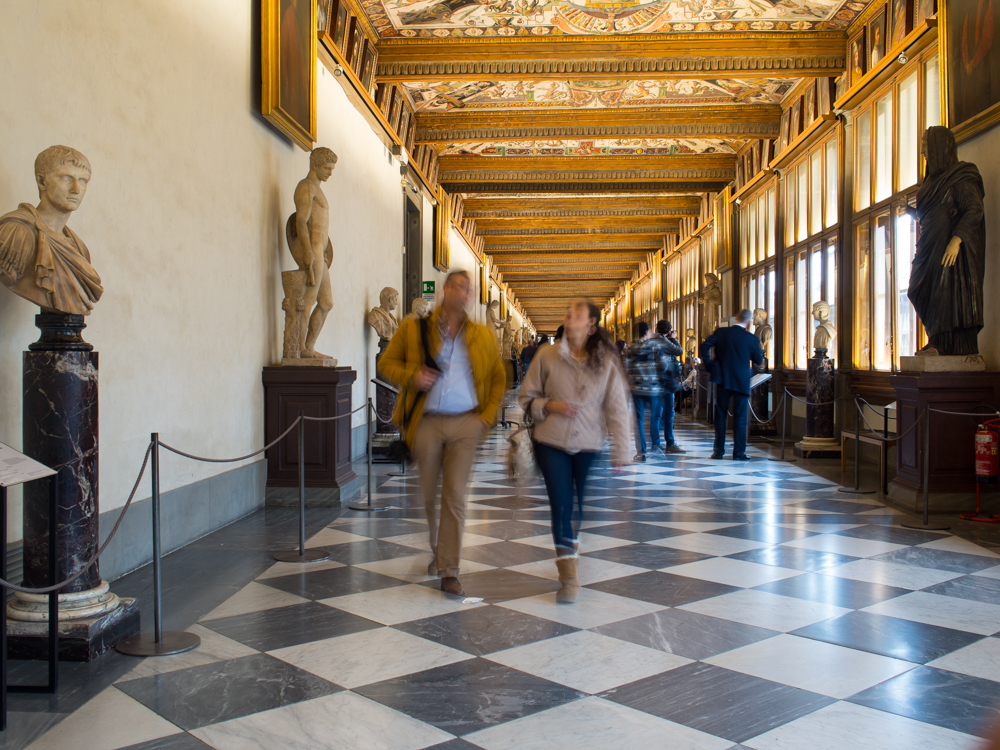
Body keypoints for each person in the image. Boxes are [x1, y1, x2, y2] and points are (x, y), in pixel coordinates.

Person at [379, 270, 505, 597]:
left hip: (466, 423)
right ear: (445, 289)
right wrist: (412, 375)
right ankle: (438, 549)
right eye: (460, 287)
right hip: (426, 422)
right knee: (428, 497)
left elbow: (497, 380)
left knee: (454, 495)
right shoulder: (413, 329)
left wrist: (486, 418)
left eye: (469, 289)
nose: (465, 294)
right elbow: (386, 364)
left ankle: (450, 569)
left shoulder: (481, 336)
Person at [520, 300, 632, 603]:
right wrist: (550, 405)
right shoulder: (547, 355)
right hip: (550, 441)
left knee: (579, 509)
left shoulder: (606, 360)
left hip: (589, 443)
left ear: (591, 325)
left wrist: (623, 449)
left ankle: (571, 546)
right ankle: (568, 577)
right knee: (561, 506)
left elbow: (618, 407)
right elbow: (525, 397)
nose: (569, 319)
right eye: (567, 313)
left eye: (577, 315)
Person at [907, 126, 986, 356]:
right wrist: (912, 212)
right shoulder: (931, 182)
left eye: (926, 147)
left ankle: (945, 344)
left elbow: (974, 209)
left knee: (945, 291)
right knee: (918, 288)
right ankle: (936, 339)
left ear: (939, 147)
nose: (923, 152)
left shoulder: (960, 176)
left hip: (948, 248)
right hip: (929, 244)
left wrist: (957, 239)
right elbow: (932, 214)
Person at [700, 309, 764, 461]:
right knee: (741, 418)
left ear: (736, 317)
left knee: (720, 416)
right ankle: (739, 453)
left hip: (723, 378)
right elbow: (758, 360)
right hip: (741, 380)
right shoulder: (752, 338)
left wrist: (711, 365)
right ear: (748, 321)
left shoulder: (722, 332)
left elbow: (704, 347)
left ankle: (718, 452)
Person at [624, 321, 672, 461]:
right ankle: (656, 446)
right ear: (647, 332)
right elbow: (664, 365)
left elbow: (626, 367)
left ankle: (641, 452)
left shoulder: (631, 347)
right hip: (654, 388)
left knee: (639, 420)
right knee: (655, 417)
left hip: (637, 388)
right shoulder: (655, 345)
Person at [655, 320, 686, 454]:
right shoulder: (664, 340)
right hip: (666, 382)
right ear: (668, 331)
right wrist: (674, 339)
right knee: (668, 413)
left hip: (656, 381)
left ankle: (656, 443)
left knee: (657, 414)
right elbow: (679, 351)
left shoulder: (652, 340)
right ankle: (670, 443)